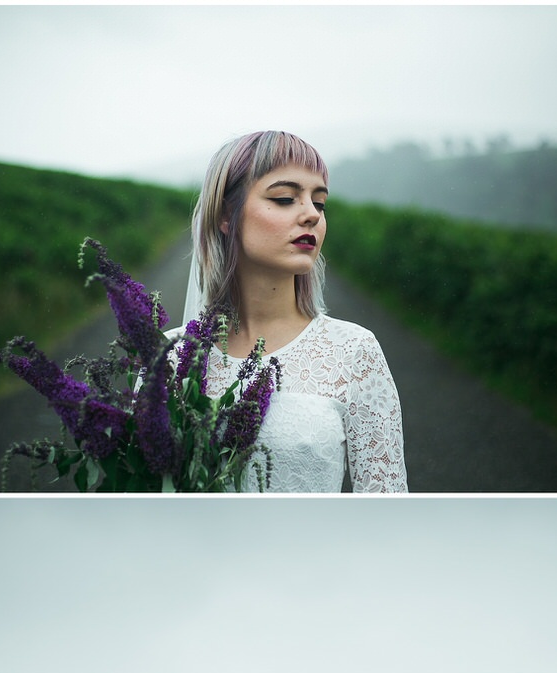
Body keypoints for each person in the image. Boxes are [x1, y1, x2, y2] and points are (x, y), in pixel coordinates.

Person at [171, 131, 408, 494]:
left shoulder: (353, 351)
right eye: (285, 198)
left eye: (320, 203)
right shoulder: (170, 356)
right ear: (225, 215)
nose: (311, 215)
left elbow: (387, 513)